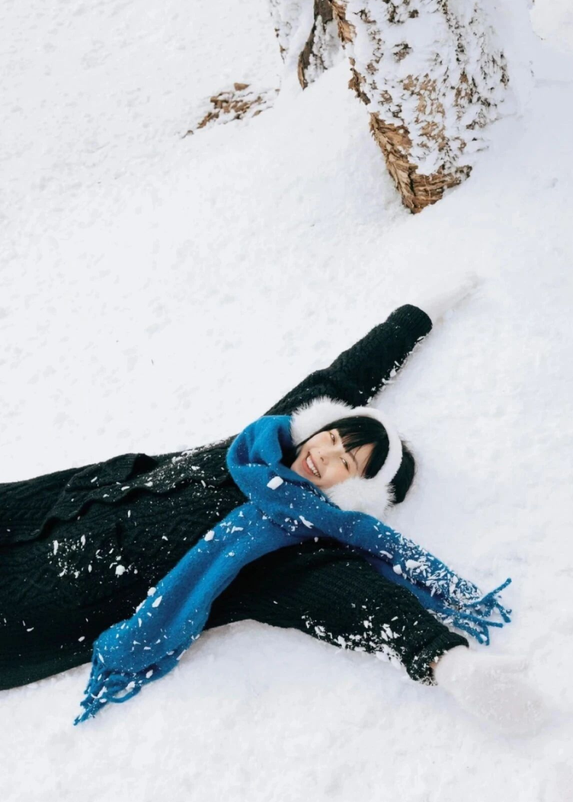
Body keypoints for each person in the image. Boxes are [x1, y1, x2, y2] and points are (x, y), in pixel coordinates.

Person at [0, 276, 543, 732]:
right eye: (331, 439)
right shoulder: (264, 450)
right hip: (44, 509)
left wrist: (447, 662)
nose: (324, 455)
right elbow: (346, 376)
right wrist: (421, 312)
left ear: (349, 493)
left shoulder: (283, 543)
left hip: (32, 604)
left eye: (346, 466)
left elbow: (354, 599)